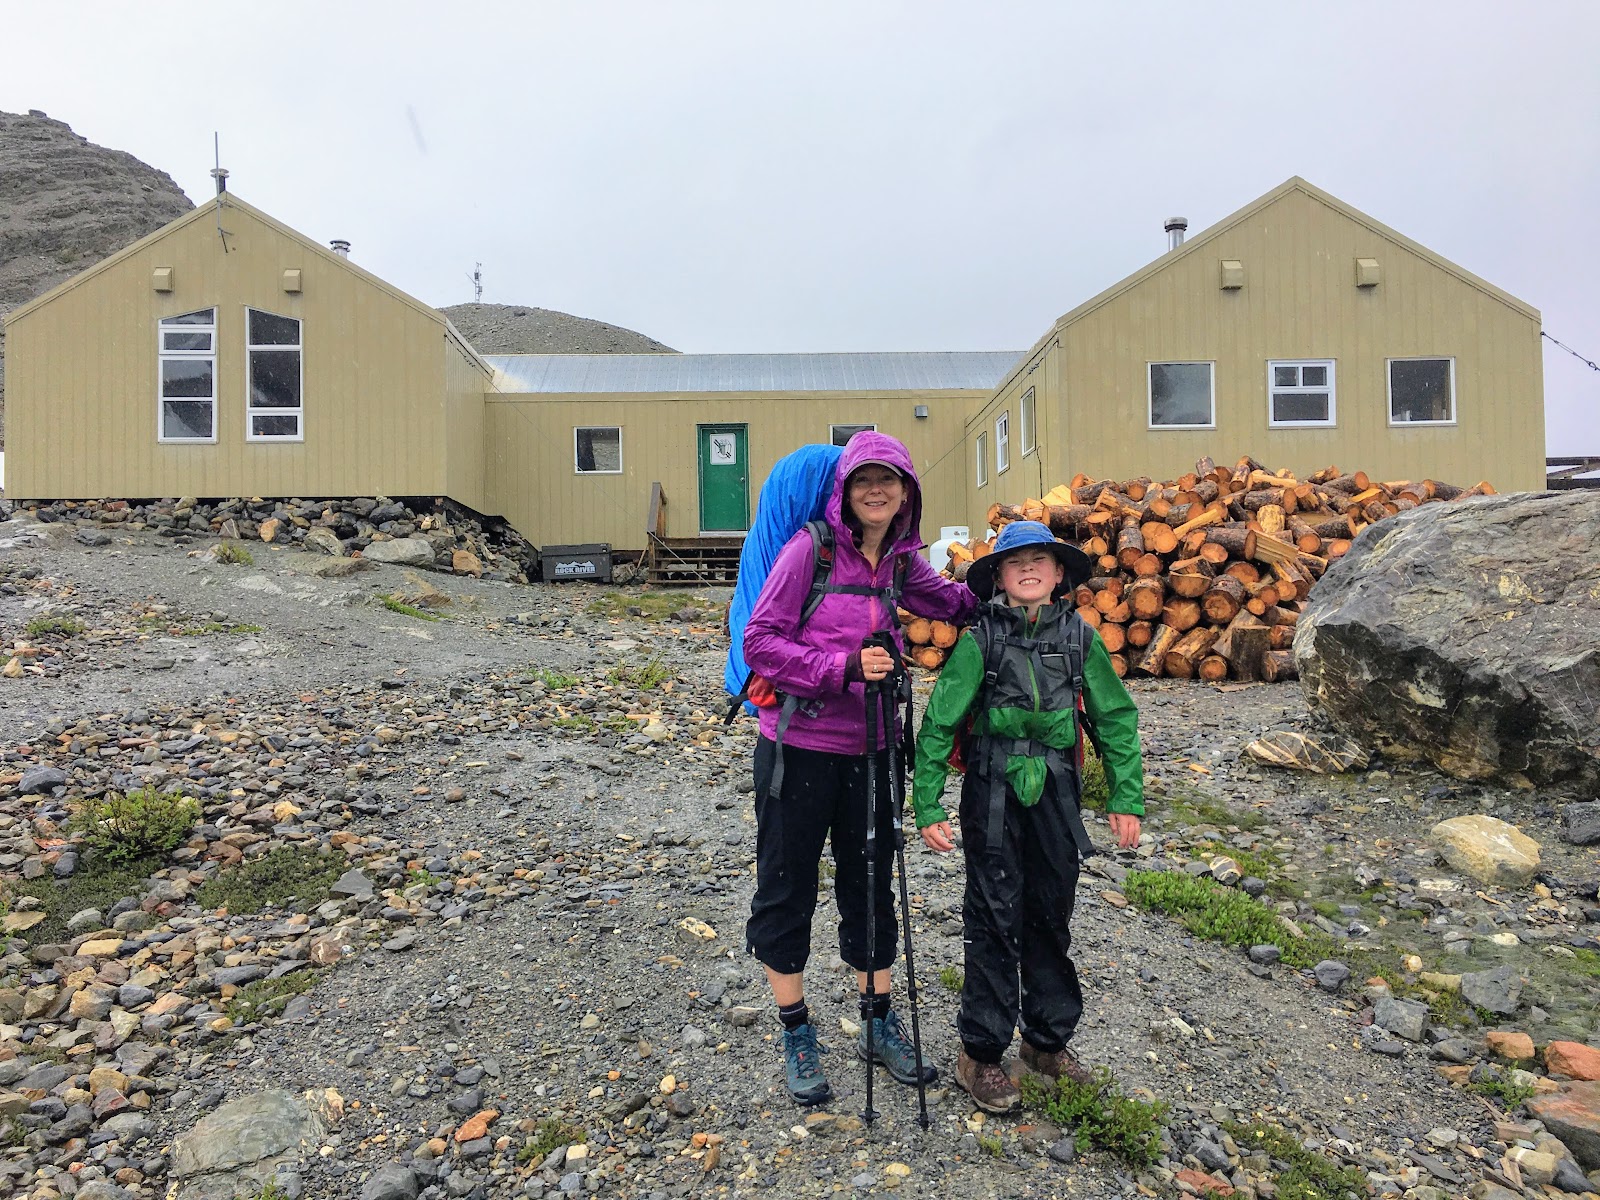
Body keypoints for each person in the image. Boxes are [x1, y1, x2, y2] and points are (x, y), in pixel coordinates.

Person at [743, 431, 977, 1106]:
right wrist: (840, 669)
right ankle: (795, 1029)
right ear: (846, 490)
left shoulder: (902, 562)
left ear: (907, 491)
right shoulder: (809, 550)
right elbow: (761, 641)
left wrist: (1014, 585)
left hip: (875, 751)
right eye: (864, 480)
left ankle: (877, 1023)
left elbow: (953, 603)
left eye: (890, 479)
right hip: (800, 749)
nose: (877, 490)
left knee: (872, 885)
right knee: (786, 886)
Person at [912, 519, 1145, 1115]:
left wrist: (1125, 796)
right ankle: (981, 1054)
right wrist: (928, 802)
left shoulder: (1080, 637)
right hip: (991, 790)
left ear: (1059, 573)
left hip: (1057, 793)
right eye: (1016, 563)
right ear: (1000, 577)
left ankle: (1046, 1044)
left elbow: (1115, 718)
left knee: (1050, 913)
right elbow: (939, 722)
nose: (1029, 570)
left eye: (1040, 560)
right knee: (993, 917)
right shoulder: (978, 640)